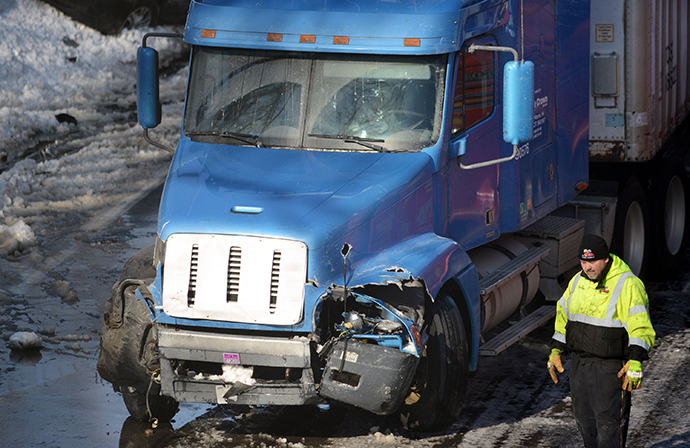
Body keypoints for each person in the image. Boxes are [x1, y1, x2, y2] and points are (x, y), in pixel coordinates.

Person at [547, 234, 655, 448]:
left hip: (610, 370)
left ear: (606, 259)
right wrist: (556, 350)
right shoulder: (578, 281)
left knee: (609, 428)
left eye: (593, 261)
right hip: (581, 366)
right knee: (585, 424)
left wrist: (635, 361)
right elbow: (563, 315)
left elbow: (640, 324)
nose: (588, 267)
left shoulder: (628, 284)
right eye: (584, 261)